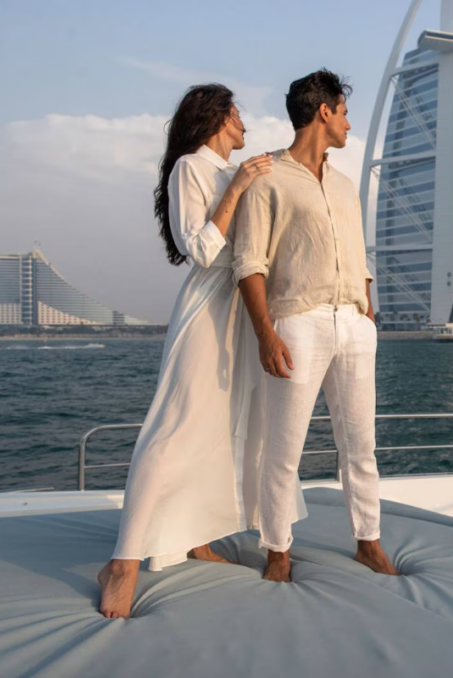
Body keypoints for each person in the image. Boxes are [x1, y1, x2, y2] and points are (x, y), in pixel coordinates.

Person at [97, 84, 280, 619]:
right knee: (173, 426)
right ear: (219, 116)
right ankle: (124, 561)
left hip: (242, 312)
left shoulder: (234, 172)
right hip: (207, 309)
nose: (246, 123)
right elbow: (197, 248)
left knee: (223, 426)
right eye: (239, 113)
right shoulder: (191, 169)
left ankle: (200, 536)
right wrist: (240, 185)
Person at [233, 69, 397, 582]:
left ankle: (368, 542)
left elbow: (360, 255)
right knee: (284, 449)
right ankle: (277, 552)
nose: (349, 123)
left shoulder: (346, 186)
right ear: (323, 111)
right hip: (298, 322)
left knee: (360, 446)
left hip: (353, 323)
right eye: (344, 112)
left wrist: (366, 309)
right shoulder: (268, 180)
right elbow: (249, 263)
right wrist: (266, 331)